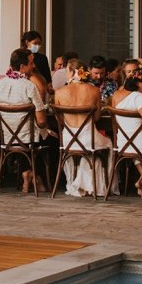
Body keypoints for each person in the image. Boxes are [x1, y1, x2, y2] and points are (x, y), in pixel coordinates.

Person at [0, 47, 51, 193]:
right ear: (22, 67)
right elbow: (42, 121)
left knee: (29, 136)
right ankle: (36, 176)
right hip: (28, 139)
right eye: (31, 63)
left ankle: (28, 172)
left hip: (6, 138)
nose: (34, 66)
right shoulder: (29, 87)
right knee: (52, 140)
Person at [53, 54, 110, 197]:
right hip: (88, 139)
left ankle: (76, 182)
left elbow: (59, 121)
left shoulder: (59, 93)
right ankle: (98, 185)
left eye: (67, 71)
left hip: (67, 141)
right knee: (109, 143)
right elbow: (96, 118)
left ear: (72, 72)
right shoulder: (94, 91)